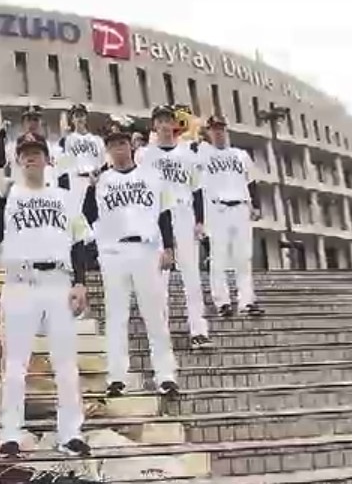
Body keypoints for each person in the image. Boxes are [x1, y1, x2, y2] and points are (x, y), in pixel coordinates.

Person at [0, 132, 92, 458]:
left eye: (36, 152)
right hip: (21, 281)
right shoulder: (10, 194)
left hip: (58, 280)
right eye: (25, 152)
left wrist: (80, 283)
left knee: (66, 364)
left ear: (47, 159)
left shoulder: (64, 197)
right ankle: (10, 434)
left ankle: (71, 433)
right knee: (16, 364)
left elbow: (78, 243)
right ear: (18, 160)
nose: (31, 157)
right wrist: (2, 199)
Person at [83, 131, 179, 398]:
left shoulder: (151, 176)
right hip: (114, 252)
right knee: (116, 318)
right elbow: (88, 216)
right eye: (112, 145)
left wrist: (169, 247)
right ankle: (117, 378)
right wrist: (91, 187)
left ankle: (166, 375)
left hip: (146, 248)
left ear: (131, 147)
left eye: (122, 143)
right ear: (108, 151)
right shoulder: (103, 181)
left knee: (155, 316)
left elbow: (164, 214)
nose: (118, 149)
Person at [135, 106, 212, 348]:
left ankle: (198, 330)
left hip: (184, 213)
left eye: (168, 120)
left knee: (191, 275)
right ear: (154, 126)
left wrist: (200, 220)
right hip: (157, 218)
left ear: (174, 124)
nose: (165, 125)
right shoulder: (145, 155)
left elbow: (197, 189)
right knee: (159, 279)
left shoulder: (188, 153)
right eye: (160, 121)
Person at [198, 115, 263, 317]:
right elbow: (196, 186)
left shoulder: (240, 154)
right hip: (217, 209)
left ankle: (247, 301)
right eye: (214, 129)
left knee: (243, 257)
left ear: (226, 131)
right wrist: (199, 218)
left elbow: (252, 181)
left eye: (221, 128)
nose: (218, 132)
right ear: (208, 132)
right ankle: (222, 302)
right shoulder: (203, 153)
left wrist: (256, 205)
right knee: (219, 258)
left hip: (240, 207)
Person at [0, 104, 65, 187]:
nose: (32, 123)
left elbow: (69, 165)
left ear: (41, 123)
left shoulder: (52, 148)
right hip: (21, 195)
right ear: (23, 123)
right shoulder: (14, 146)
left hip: (46, 195)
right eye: (28, 120)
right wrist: (0, 140)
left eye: (35, 120)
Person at [58, 104, 106, 200]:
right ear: (72, 120)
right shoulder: (68, 140)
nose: (79, 118)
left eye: (82, 115)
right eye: (76, 116)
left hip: (96, 179)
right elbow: (63, 164)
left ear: (86, 118)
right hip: (77, 180)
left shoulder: (97, 140)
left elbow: (103, 161)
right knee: (79, 211)